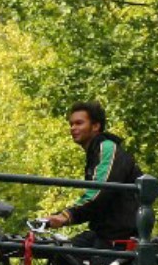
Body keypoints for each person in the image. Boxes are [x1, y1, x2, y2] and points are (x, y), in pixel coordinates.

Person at [41, 100, 142, 251]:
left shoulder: (106, 147)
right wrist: (58, 216)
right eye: (71, 124)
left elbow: (100, 191)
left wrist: (66, 216)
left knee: (70, 255)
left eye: (79, 123)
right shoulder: (95, 152)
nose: (73, 128)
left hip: (119, 234)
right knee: (60, 253)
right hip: (102, 231)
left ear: (95, 126)